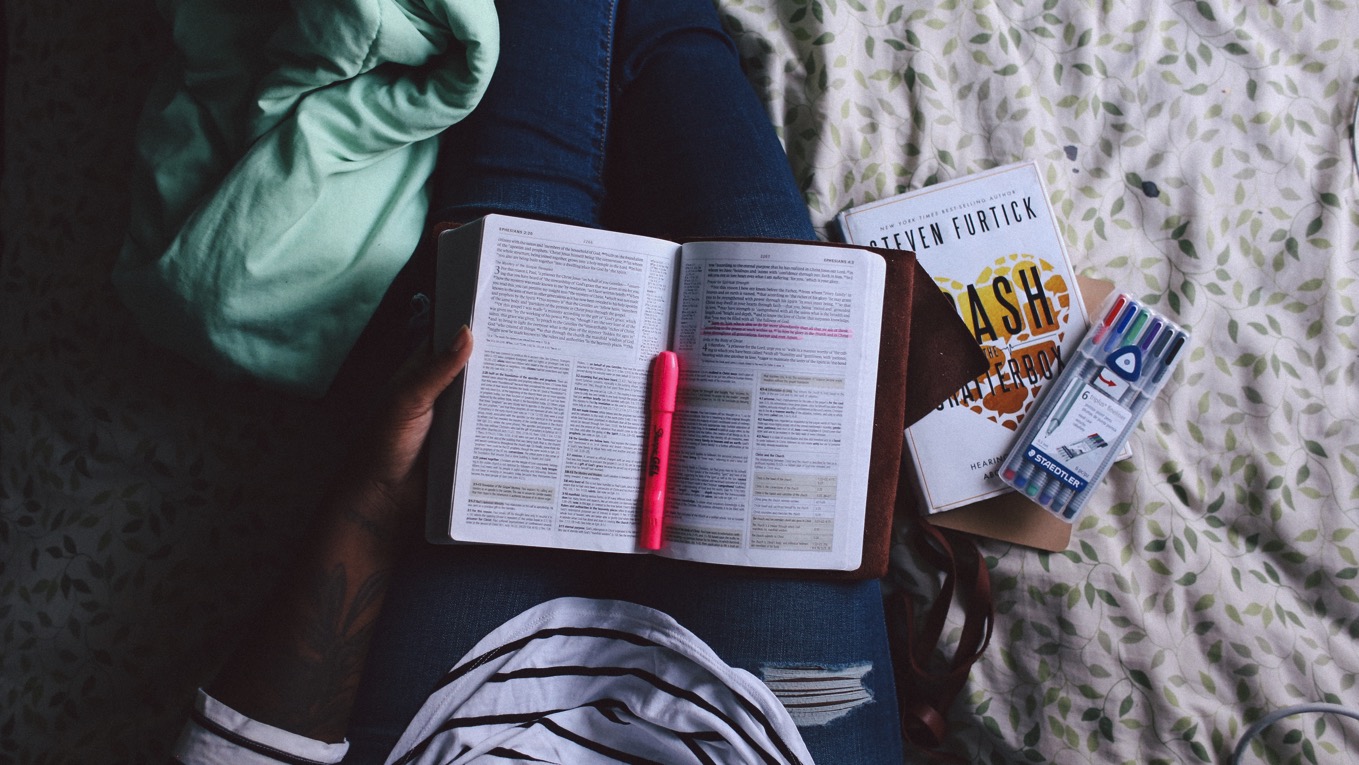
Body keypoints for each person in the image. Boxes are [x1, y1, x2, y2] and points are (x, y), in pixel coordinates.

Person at [174, 0, 907, 762]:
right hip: (762, 738)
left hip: (458, 727)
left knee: (518, 214)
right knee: (745, 235)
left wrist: (376, 496)